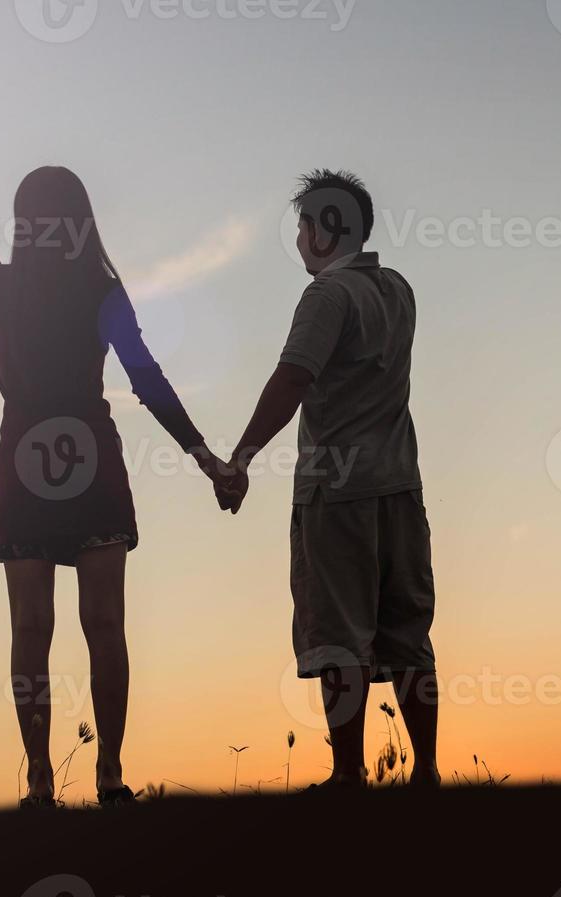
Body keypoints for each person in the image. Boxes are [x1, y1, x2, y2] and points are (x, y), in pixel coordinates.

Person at [0, 166, 236, 808]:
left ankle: (59, 775)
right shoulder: (80, 287)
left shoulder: (37, 286)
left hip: (37, 459)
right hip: (81, 459)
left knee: (40, 627)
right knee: (90, 623)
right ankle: (96, 773)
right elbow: (146, 378)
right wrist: (203, 454)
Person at [219, 170, 441, 790]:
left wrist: (241, 457)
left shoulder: (326, 297)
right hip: (400, 487)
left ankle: (348, 775)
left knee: (340, 636)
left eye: (302, 225)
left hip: (336, 492)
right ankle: (425, 771)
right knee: (408, 634)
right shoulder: (398, 290)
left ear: (323, 229)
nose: (298, 237)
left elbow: (293, 379)